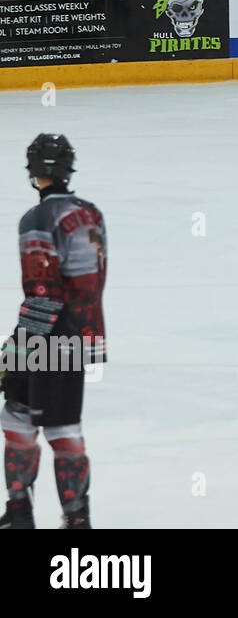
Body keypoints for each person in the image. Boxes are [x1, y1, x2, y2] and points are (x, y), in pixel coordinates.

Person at [0, 135, 105, 530]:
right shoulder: (91, 213)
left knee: (39, 423)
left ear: (33, 172)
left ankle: (40, 515)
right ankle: (59, 516)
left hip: (47, 338)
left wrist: (14, 354)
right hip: (79, 336)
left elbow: (44, 294)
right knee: (29, 419)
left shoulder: (37, 219)